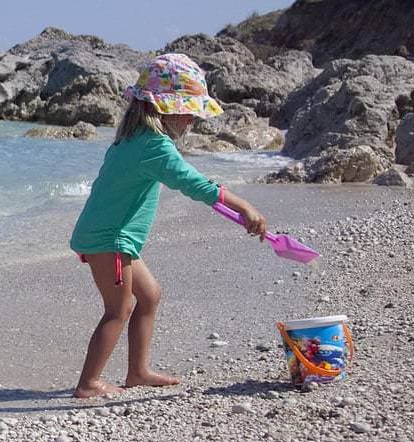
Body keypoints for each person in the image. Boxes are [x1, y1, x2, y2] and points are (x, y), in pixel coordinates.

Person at [69, 53, 267, 398]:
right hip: (111, 241)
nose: (192, 118)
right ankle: (88, 384)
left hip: (113, 239)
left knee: (150, 295)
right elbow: (196, 185)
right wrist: (244, 207)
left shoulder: (131, 140)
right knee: (120, 308)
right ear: (165, 107)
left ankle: (138, 371)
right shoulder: (155, 147)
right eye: (188, 109)